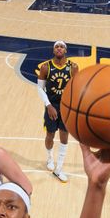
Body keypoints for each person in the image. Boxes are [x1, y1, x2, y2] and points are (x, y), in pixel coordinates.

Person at [37, 41, 79, 182]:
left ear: (65, 50)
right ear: (53, 50)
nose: (59, 48)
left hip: (66, 106)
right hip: (52, 105)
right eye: (56, 46)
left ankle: (59, 169)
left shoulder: (73, 67)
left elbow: (76, 87)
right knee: (50, 134)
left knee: (64, 135)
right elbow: (40, 88)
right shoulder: (45, 67)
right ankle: (50, 158)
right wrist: (48, 105)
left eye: (61, 47)